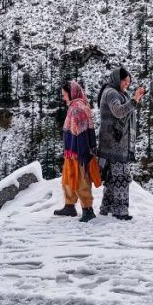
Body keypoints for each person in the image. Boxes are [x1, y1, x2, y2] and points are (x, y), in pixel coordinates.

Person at [96, 67, 145, 220]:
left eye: (128, 82)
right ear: (118, 79)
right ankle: (120, 211)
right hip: (115, 144)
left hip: (113, 143)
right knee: (121, 177)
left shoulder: (116, 92)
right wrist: (135, 100)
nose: (126, 84)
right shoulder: (111, 93)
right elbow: (118, 111)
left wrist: (135, 100)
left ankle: (107, 208)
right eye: (124, 81)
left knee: (112, 178)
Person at [54, 81, 101, 223]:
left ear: (72, 93)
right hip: (72, 151)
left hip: (79, 152)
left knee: (81, 181)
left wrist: (82, 155)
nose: (63, 97)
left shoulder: (77, 109)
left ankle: (88, 210)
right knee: (68, 179)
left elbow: (81, 134)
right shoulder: (78, 105)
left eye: (64, 94)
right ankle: (69, 206)